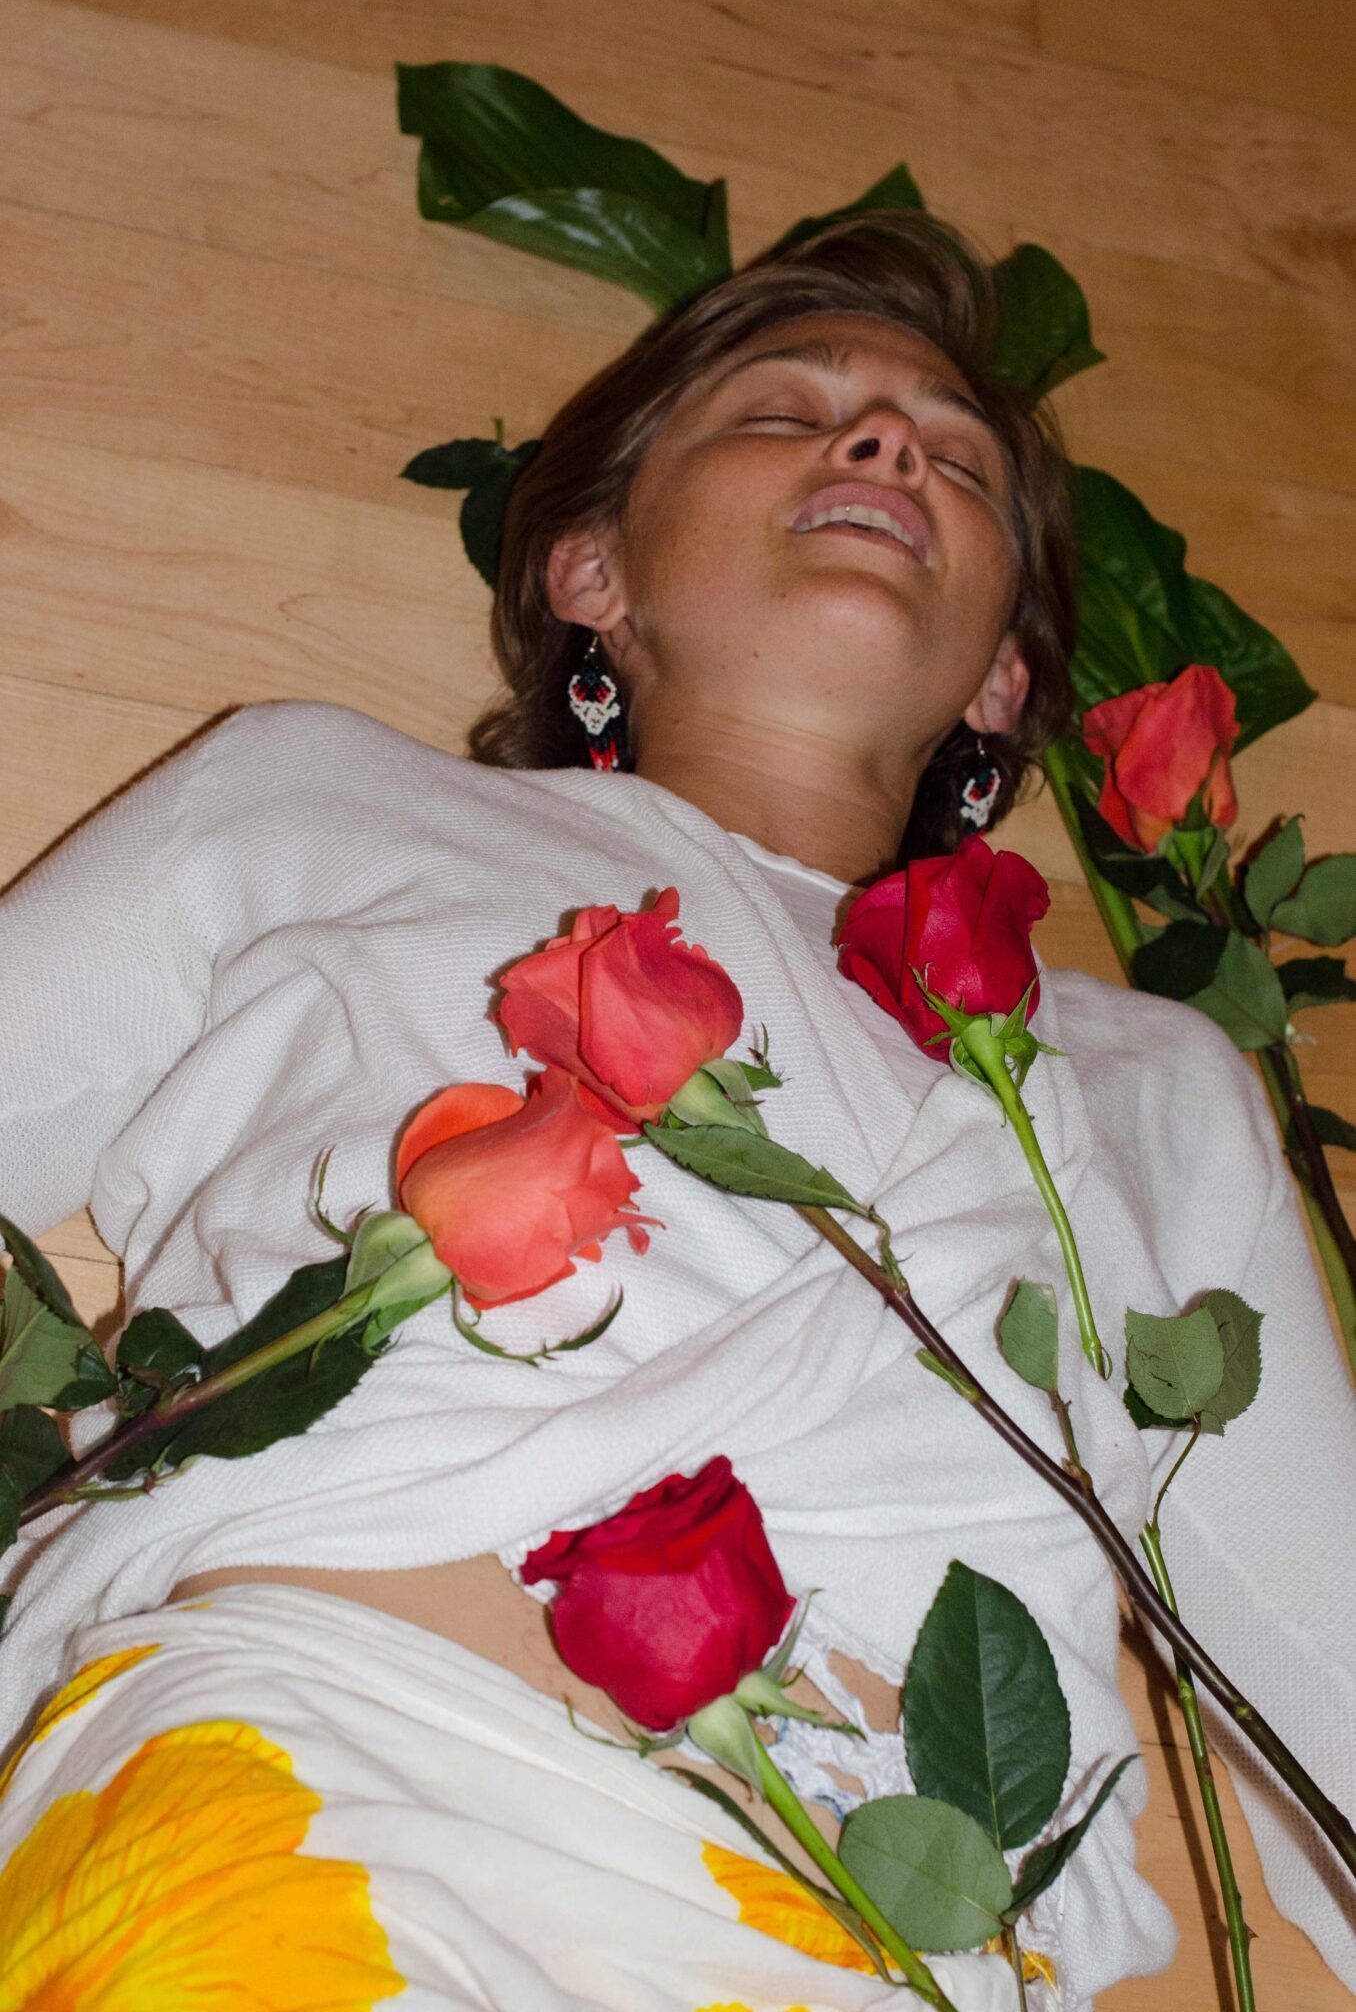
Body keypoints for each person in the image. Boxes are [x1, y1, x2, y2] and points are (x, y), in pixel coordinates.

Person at [0, 212, 1351, 2011]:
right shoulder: (314, 799)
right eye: (789, 413)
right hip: (328, 1800)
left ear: (1004, 680)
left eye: (950, 456)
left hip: (904, 1959)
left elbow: (1321, 1651)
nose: (883, 444)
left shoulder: (1155, 1086)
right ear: (590, 572)